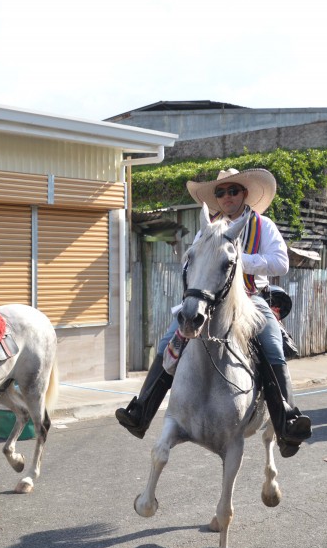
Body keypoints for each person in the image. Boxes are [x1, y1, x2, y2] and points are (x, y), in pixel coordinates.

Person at [115, 168, 313, 457]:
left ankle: (287, 422)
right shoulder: (208, 228)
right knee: (169, 341)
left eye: (233, 191)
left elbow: (280, 263)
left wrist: (238, 260)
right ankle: (141, 411)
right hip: (208, 300)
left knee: (272, 346)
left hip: (251, 298)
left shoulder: (263, 225)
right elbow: (189, 261)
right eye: (220, 192)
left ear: (245, 193)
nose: (227, 196)